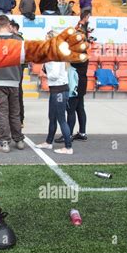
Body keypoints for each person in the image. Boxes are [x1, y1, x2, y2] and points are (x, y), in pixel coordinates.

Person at [0, 15, 25, 153]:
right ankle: (19, 140)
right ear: (9, 25)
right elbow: (24, 60)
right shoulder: (19, 40)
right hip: (15, 80)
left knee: (2, 113)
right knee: (14, 112)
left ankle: (4, 142)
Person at [36, 31, 73, 155]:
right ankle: (48, 142)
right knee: (52, 117)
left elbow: (55, 75)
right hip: (57, 90)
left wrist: (45, 74)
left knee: (61, 119)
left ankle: (68, 147)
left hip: (59, 91)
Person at [56, 11, 90, 144]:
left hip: (75, 84)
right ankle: (82, 132)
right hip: (81, 83)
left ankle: (68, 134)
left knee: (71, 109)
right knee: (80, 108)